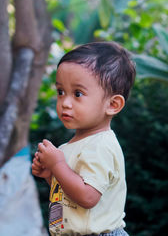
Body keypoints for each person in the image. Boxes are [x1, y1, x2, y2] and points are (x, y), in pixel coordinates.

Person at [31, 41, 136, 236]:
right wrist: (51, 176)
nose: (65, 103)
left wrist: (58, 165)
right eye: (61, 92)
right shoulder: (70, 146)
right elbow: (70, 197)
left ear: (112, 104)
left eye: (77, 93)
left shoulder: (101, 146)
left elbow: (87, 197)